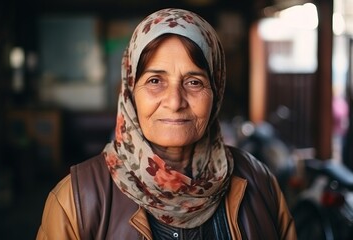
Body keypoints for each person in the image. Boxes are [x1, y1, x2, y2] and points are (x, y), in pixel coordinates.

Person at [36, 8, 296, 239]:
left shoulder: (260, 184)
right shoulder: (76, 200)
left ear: (216, 91)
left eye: (194, 82)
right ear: (130, 92)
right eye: (155, 81)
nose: (174, 101)